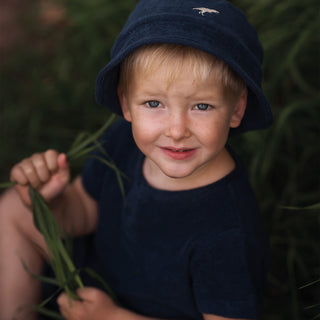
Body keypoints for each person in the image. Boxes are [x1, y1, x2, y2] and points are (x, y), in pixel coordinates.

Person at [0, 0, 273, 319]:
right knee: (14, 207)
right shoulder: (122, 143)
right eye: (154, 103)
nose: (176, 130)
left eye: (201, 106)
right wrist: (50, 204)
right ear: (126, 103)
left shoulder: (227, 232)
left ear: (237, 108)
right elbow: (82, 213)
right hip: (94, 285)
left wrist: (113, 317)